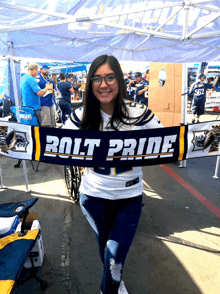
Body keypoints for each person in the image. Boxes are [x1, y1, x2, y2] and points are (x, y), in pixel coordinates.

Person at [62, 55, 162, 294]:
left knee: (115, 255)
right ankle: (117, 283)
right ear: (89, 82)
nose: (103, 84)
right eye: (96, 78)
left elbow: (169, 143)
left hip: (129, 198)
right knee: (107, 250)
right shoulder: (81, 116)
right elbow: (57, 147)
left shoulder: (139, 113)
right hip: (94, 197)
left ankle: (108, 288)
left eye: (109, 77)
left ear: (119, 80)